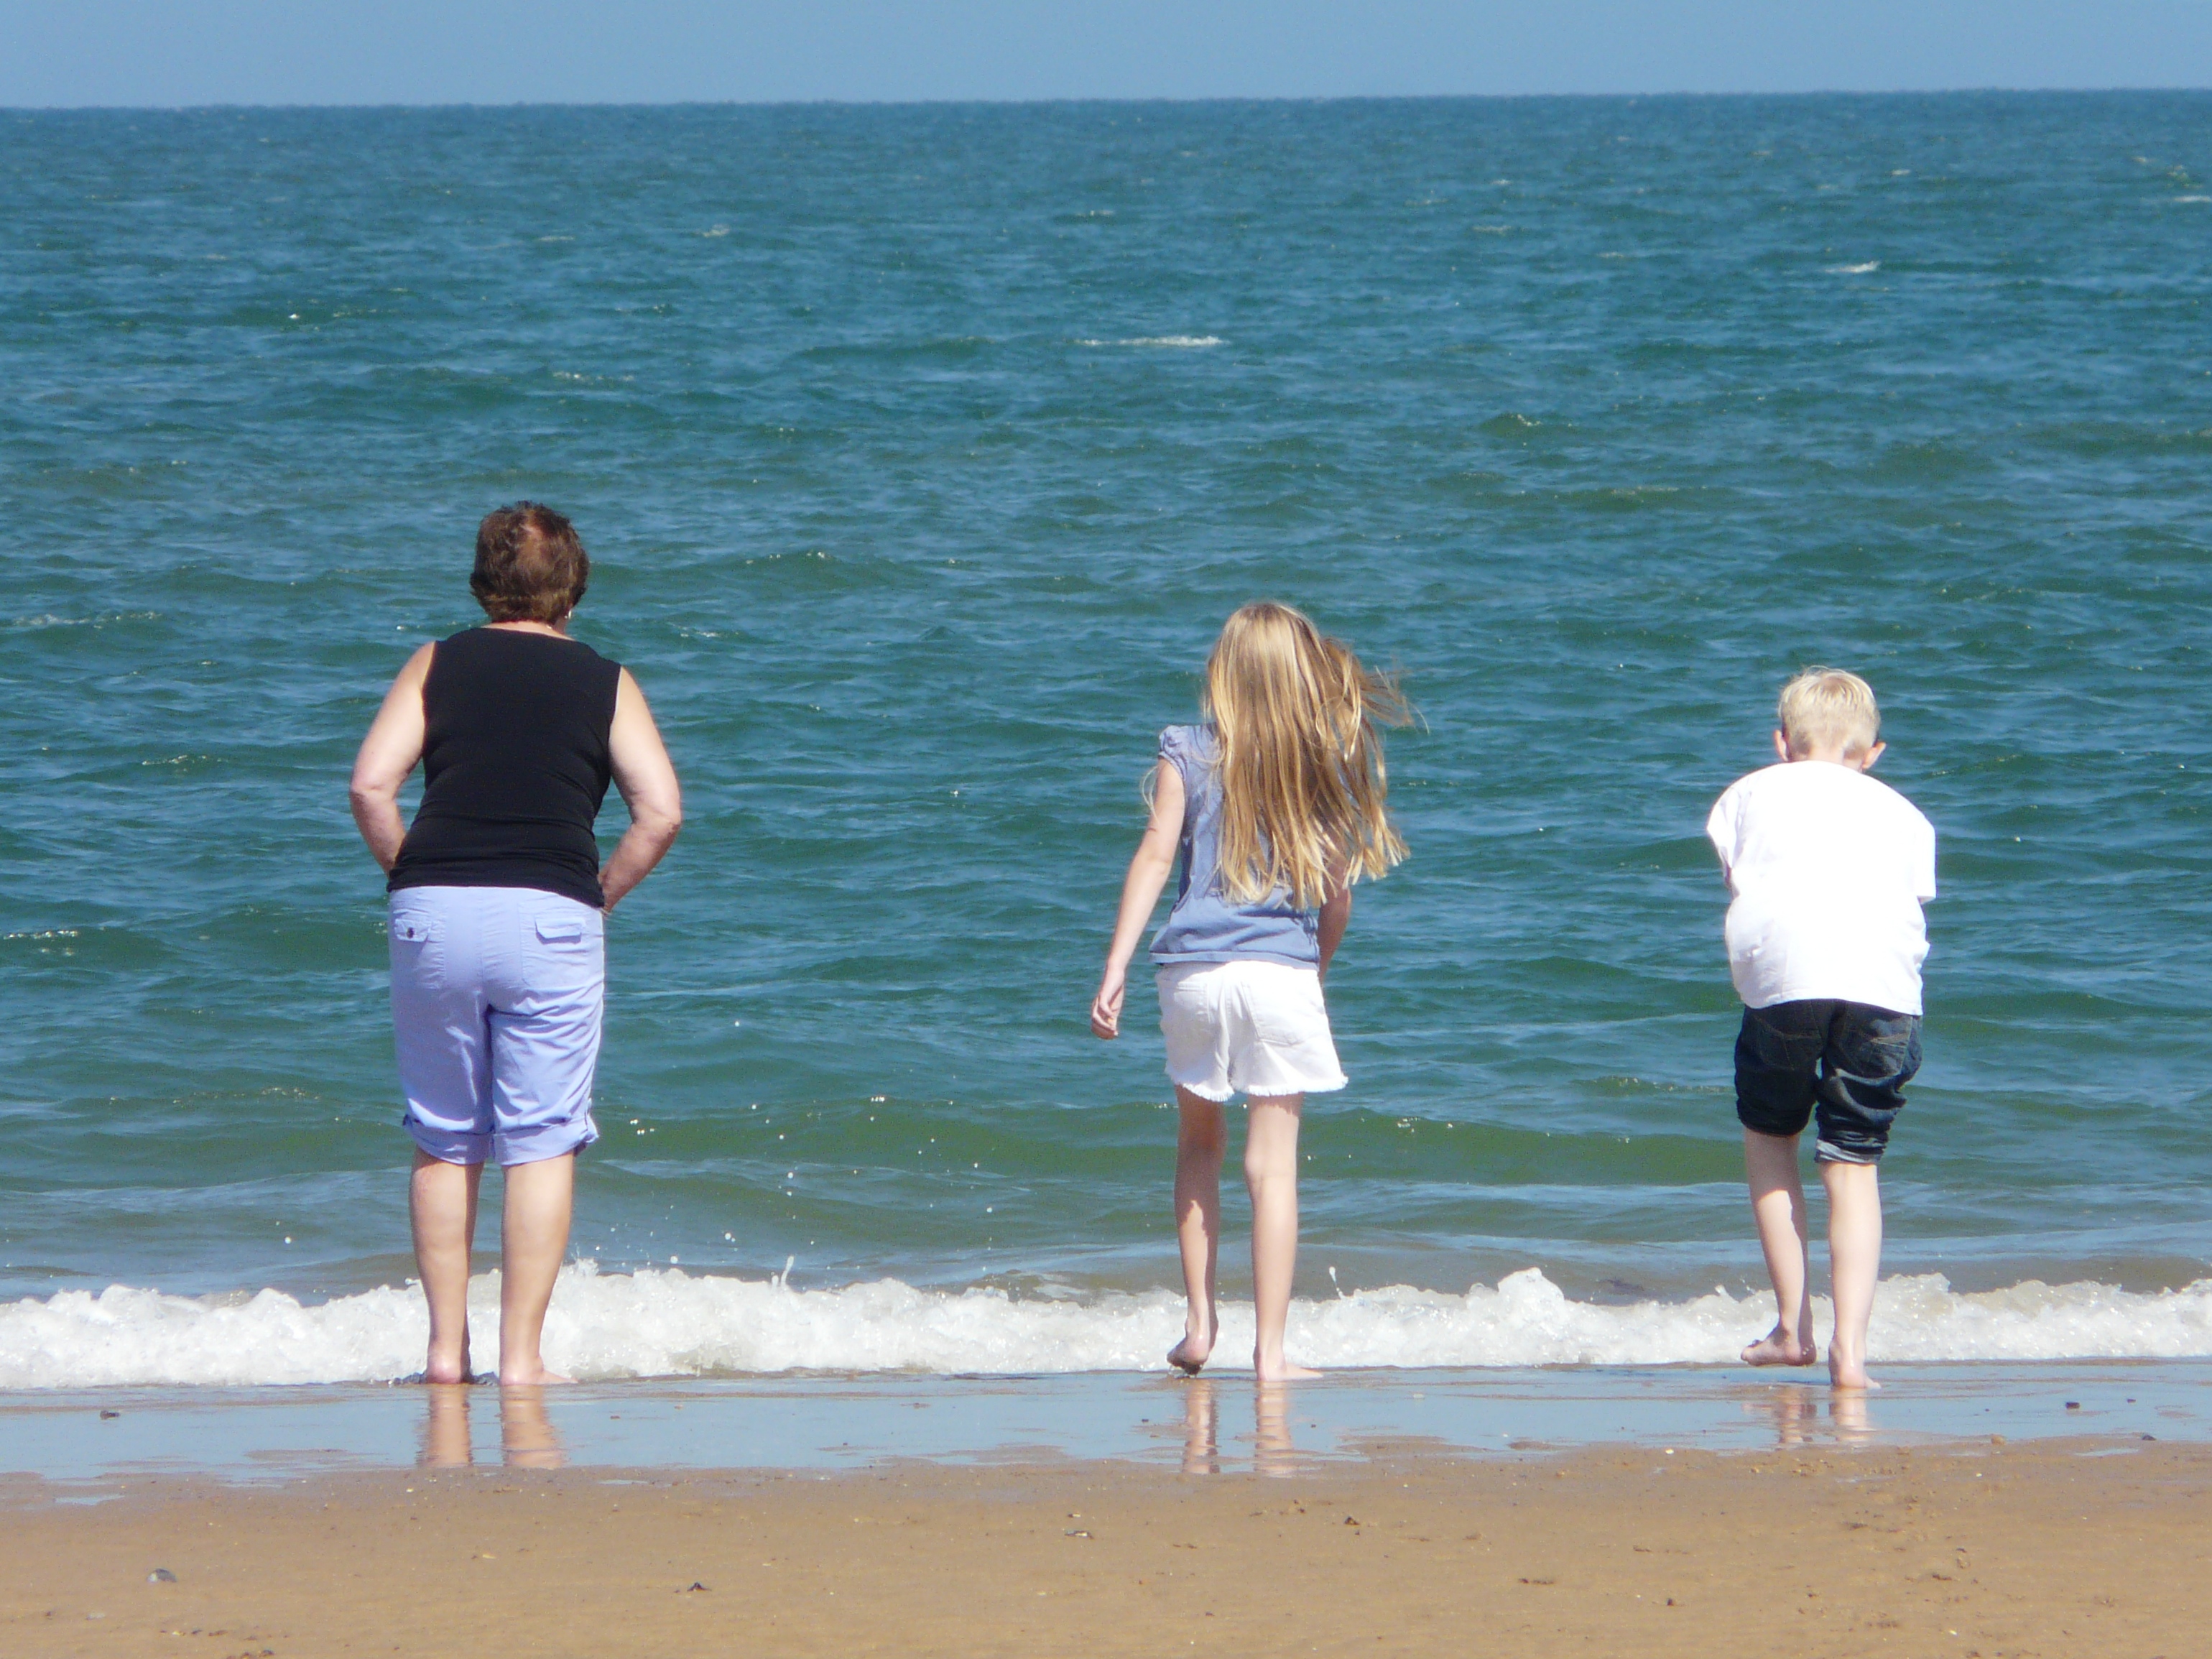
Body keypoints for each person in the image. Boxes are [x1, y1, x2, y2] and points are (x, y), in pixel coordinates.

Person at [349, 504, 681, 1386]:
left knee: (445, 1136)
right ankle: (522, 1361)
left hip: (433, 908)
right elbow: (660, 812)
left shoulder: (436, 662)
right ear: (573, 589)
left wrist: (409, 870)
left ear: (482, 583)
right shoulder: (605, 680)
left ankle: (443, 1354)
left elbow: (372, 785)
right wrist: (600, 893)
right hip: (550, 913)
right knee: (540, 1140)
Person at [1091, 601, 1409, 1382]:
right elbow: (1335, 898)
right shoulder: (1314, 764)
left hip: (1191, 972)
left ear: (1223, 672)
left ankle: (1200, 1325)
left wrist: (1116, 964)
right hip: (1277, 974)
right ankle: (1271, 1354)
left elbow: (1154, 856)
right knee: (1273, 1169)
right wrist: (1313, 972)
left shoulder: (1187, 750)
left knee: (1198, 1143)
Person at [1706, 667, 1935, 1391]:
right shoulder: (1905, 813)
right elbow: (1913, 896)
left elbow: (1738, 879)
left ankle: (1790, 1328)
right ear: (1872, 753)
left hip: (1785, 980)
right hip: (1882, 988)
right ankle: (1852, 1355)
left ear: (1782, 742)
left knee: (1771, 1137)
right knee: (1853, 1163)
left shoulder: (1747, 793)